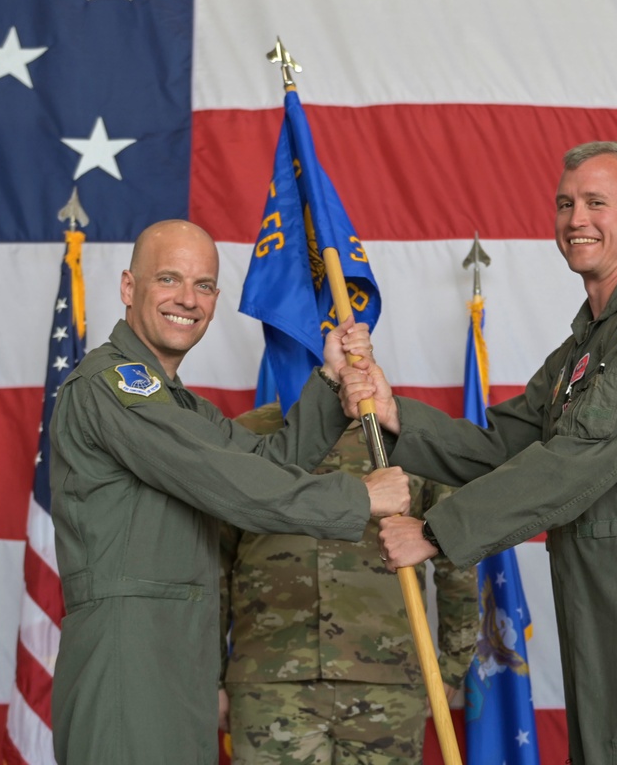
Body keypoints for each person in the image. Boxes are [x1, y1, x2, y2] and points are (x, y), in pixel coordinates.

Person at [348, 142, 617, 765]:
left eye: (596, 202)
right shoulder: (581, 350)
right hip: (598, 599)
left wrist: (437, 530)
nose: (575, 219)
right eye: (565, 203)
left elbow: (584, 454)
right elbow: (500, 448)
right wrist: (395, 409)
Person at [49, 219, 411, 765]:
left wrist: (331, 379)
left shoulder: (179, 405)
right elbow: (232, 484)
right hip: (127, 655)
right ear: (129, 288)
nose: (187, 300)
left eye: (203, 285)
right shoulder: (115, 385)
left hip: (177, 656)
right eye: (168, 279)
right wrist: (360, 497)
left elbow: (265, 461)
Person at [217, 402, 479, 765]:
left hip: (388, 678)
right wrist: (212, 678)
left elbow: (453, 554)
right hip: (270, 678)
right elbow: (215, 563)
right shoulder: (248, 433)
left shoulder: (414, 435)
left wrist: (451, 667)